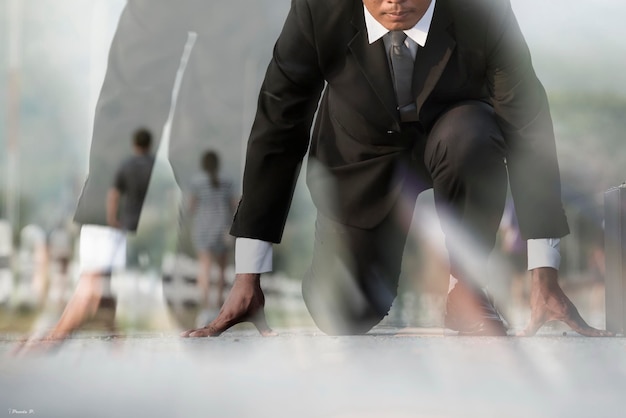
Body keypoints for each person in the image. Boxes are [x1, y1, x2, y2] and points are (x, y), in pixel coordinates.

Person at [182, 0, 613, 338]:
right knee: (344, 316)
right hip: (358, 153)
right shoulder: (318, 8)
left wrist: (545, 273)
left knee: (473, 135)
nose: (395, 1)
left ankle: (465, 291)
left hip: (455, 131)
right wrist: (248, 274)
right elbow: (280, 122)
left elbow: (526, 122)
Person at [15, 129, 155, 352]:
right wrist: (114, 218)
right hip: (107, 222)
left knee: (102, 288)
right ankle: (49, 342)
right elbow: (115, 191)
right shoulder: (130, 154)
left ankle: (115, 342)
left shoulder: (112, 144)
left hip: (94, 217)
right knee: (92, 289)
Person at [186, 150, 236, 326]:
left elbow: (191, 207)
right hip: (223, 227)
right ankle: (219, 305)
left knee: (204, 268)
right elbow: (234, 205)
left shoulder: (197, 182)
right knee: (221, 270)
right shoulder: (227, 181)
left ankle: (205, 306)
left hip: (204, 227)